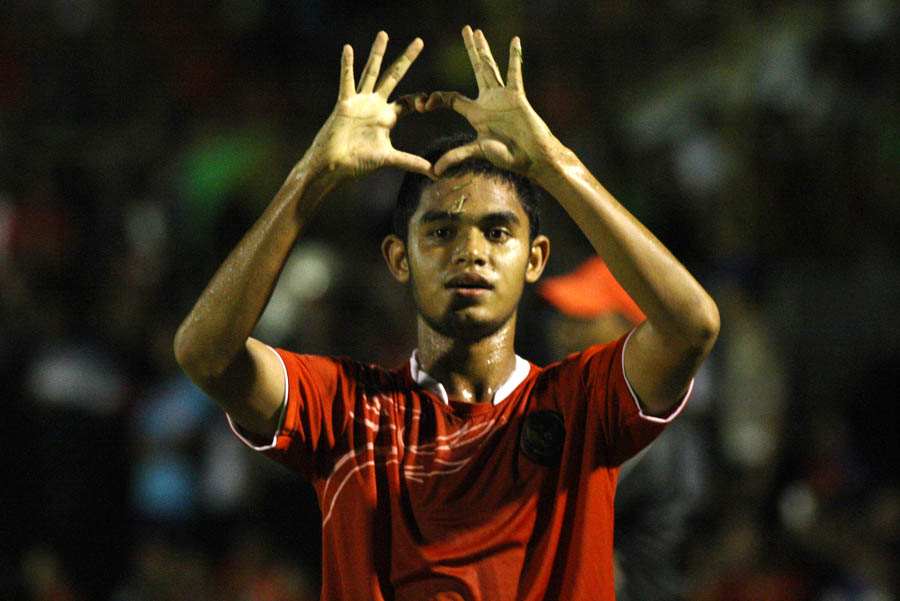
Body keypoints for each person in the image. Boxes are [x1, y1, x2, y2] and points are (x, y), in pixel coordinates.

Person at [174, 26, 720, 601]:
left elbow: (693, 326)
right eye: (440, 231)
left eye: (498, 231)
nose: (471, 251)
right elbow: (205, 355)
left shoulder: (582, 404)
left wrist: (558, 166)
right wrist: (313, 175)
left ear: (535, 259)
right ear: (398, 258)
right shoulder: (343, 409)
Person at [538, 256, 707, 601]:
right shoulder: (576, 410)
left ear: (637, 334)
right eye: (564, 316)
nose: (564, 330)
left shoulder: (651, 435)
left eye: (584, 318)